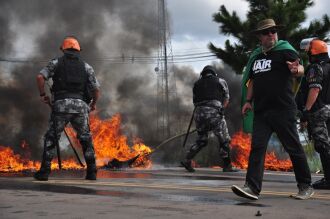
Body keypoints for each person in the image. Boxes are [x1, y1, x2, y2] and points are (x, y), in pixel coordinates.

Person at [231, 19, 313, 200]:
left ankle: (305, 186)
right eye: (267, 32)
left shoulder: (285, 50)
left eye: (273, 31)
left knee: (293, 148)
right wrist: (248, 101)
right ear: (260, 36)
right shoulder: (256, 57)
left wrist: (296, 70)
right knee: (257, 148)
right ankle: (252, 187)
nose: (271, 34)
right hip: (261, 111)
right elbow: (252, 80)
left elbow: (299, 68)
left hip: (283, 109)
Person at [34, 36, 100, 181]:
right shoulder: (86, 66)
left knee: (52, 138)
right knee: (85, 139)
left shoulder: (56, 63)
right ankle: (92, 172)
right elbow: (96, 89)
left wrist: (43, 95)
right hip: (81, 107)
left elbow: (40, 77)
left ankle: (44, 172)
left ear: (62, 49)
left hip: (61, 106)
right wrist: (93, 104)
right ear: (78, 50)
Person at [181, 65, 238, 173]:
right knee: (224, 139)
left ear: (203, 74)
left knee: (202, 140)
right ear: (213, 73)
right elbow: (226, 98)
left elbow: (194, 101)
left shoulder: (196, 84)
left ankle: (187, 159)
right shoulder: (220, 81)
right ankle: (227, 165)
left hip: (198, 114)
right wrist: (222, 109)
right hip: (214, 113)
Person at [299, 38, 330, 189]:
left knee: (322, 146)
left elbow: (315, 89)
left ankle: (329, 179)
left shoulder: (315, 68)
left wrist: (306, 110)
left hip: (318, 112)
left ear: (314, 52)